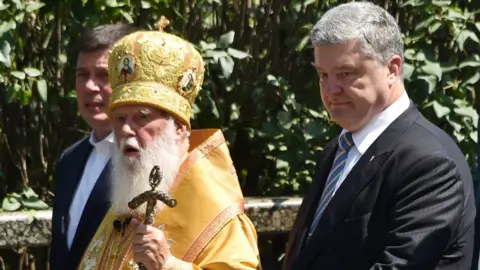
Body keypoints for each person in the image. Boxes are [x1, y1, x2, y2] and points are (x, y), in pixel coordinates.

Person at [282, 2, 476, 270]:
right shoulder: (340, 149)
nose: (330, 89)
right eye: (322, 75)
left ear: (392, 69)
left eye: (346, 73)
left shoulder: (430, 164)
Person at [77, 19, 262, 270]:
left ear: (179, 129)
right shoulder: (127, 197)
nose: (127, 129)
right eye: (120, 118)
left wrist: (169, 265)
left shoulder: (219, 214)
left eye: (143, 117)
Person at [50, 24, 138, 270]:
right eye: (82, 75)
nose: (90, 87)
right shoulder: (70, 160)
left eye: (103, 74)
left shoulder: (146, 161)